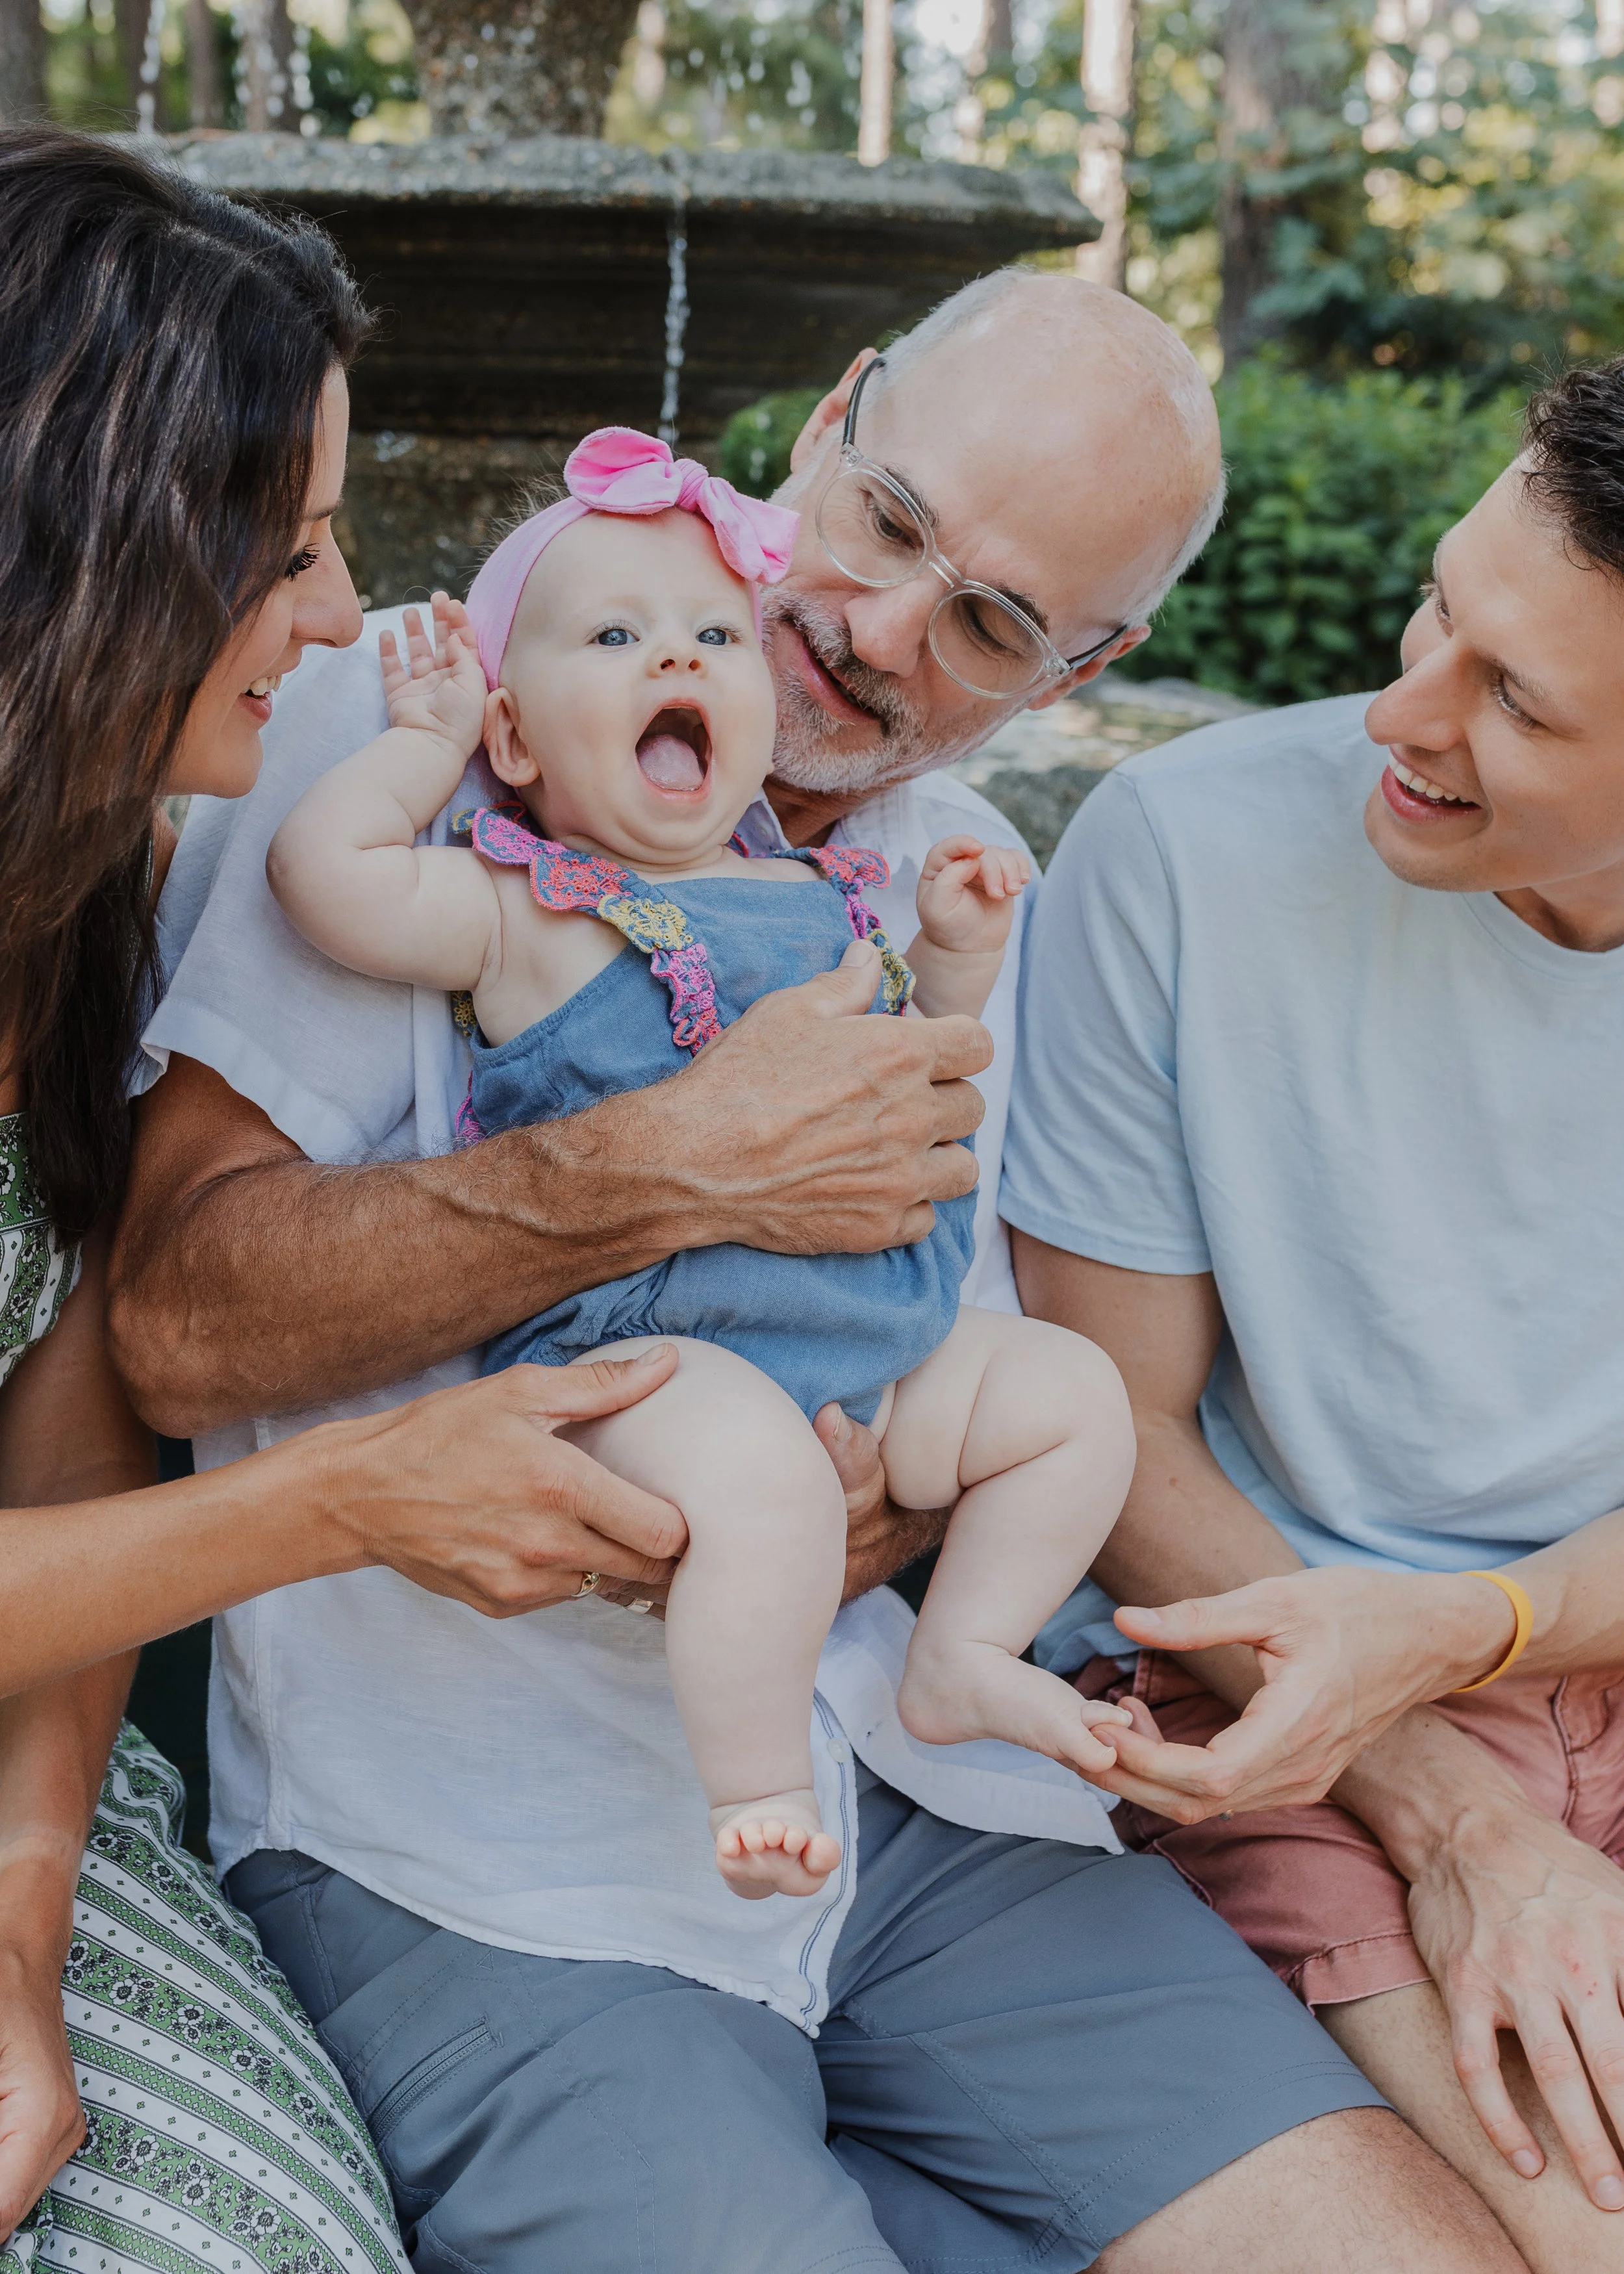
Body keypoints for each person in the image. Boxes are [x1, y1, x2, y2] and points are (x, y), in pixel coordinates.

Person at [112, 256, 1522, 2269]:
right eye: (885, 524)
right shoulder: (412, 759)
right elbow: (176, 1317)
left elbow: (942, 1346)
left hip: (913, 1800)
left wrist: (880, 1503)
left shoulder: (950, 881)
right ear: (833, 413)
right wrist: (660, 1168)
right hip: (480, 1857)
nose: (872, 632)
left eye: (992, 623)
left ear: (1078, 673)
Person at [0, 125, 698, 2274]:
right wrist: (354, 1493)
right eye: (290, 546)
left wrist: (24, 1936)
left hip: (35, 1776)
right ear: (97, 546)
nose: (333, 609)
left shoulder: (90, 872)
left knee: (252, 2241)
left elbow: (73, 1407)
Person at [267, 441, 1137, 1895]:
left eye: (713, 635)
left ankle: (963, 1655)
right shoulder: (526, 904)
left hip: (877, 1348)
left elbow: (917, 1080)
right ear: (520, 739)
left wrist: (960, 964)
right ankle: (757, 1787)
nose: (674, 649)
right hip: (659, 1365)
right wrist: (420, 739)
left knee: (1069, 1396)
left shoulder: (829, 889)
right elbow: (326, 876)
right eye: (612, 637)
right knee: (753, 1474)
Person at [1003, 353, 1624, 2274]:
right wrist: (1449, 1812)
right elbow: (1110, 1427)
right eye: (1442, 605)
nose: (1396, 708)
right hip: (1282, 1691)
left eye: (1507, 698)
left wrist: (1476, 1623)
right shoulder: (1179, 854)